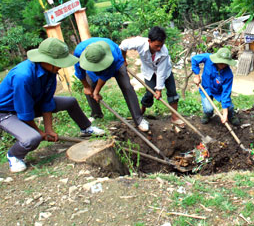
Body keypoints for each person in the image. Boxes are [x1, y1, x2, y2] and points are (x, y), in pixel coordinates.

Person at [0, 38, 104, 173]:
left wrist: (48, 129)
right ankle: (14, 155)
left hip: (32, 104)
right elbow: (24, 112)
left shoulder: (50, 72)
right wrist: (40, 132)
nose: (61, 66)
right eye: (59, 63)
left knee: (70, 102)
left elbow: (47, 101)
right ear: (46, 60)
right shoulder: (23, 76)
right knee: (32, 138)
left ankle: (86, 128)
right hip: (6, 112)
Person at [74, 37, 149, 132]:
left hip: (116, 64)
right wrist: (86, 87)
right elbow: (79, 72)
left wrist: (97, 92)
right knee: (89, 87)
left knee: (126, 86)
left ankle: (138, 119)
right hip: (91, 65)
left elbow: (105, 76)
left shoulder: (113, 56)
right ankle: (96, 114)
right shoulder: (78, 53)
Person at [120, 26, 185, 128]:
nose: (159, 48)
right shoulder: (139, 43)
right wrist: (123, 59)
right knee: (149, 93)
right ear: (149, 41)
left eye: (161, 45)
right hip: (149, 71)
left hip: (165, 71)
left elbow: (161, 71)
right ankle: (141, 112)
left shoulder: (164, 52)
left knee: (172, 92)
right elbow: (123, 46)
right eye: (157, 46)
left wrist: (159, 89)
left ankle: (174, 117)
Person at [191, 48, 240, 126]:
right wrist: (197, 75)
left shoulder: (228, 75)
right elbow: (194, 59)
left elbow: (226, 93)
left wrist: (225, 113)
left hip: (219, 92)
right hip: (206, 88)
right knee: (208, 109)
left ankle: (231, 116)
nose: (223, 66)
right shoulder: (208, 58)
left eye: (225, 63)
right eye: (221, 63)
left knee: (229, 107)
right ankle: (208, 115)